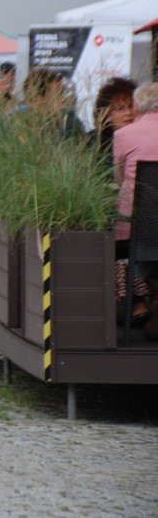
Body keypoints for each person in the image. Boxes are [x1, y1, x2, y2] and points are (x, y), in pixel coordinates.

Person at [113, 82, 158, 340]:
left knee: (117, 252)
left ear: (138, 106)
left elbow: (120, 179)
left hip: (135, 227)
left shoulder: (124, 135)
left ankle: (145, 295)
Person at [93, 77, 138, 163]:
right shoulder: (94, 142)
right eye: (120, 109)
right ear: (105, 114)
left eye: (131, 106)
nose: (128, 113)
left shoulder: (148, 137)